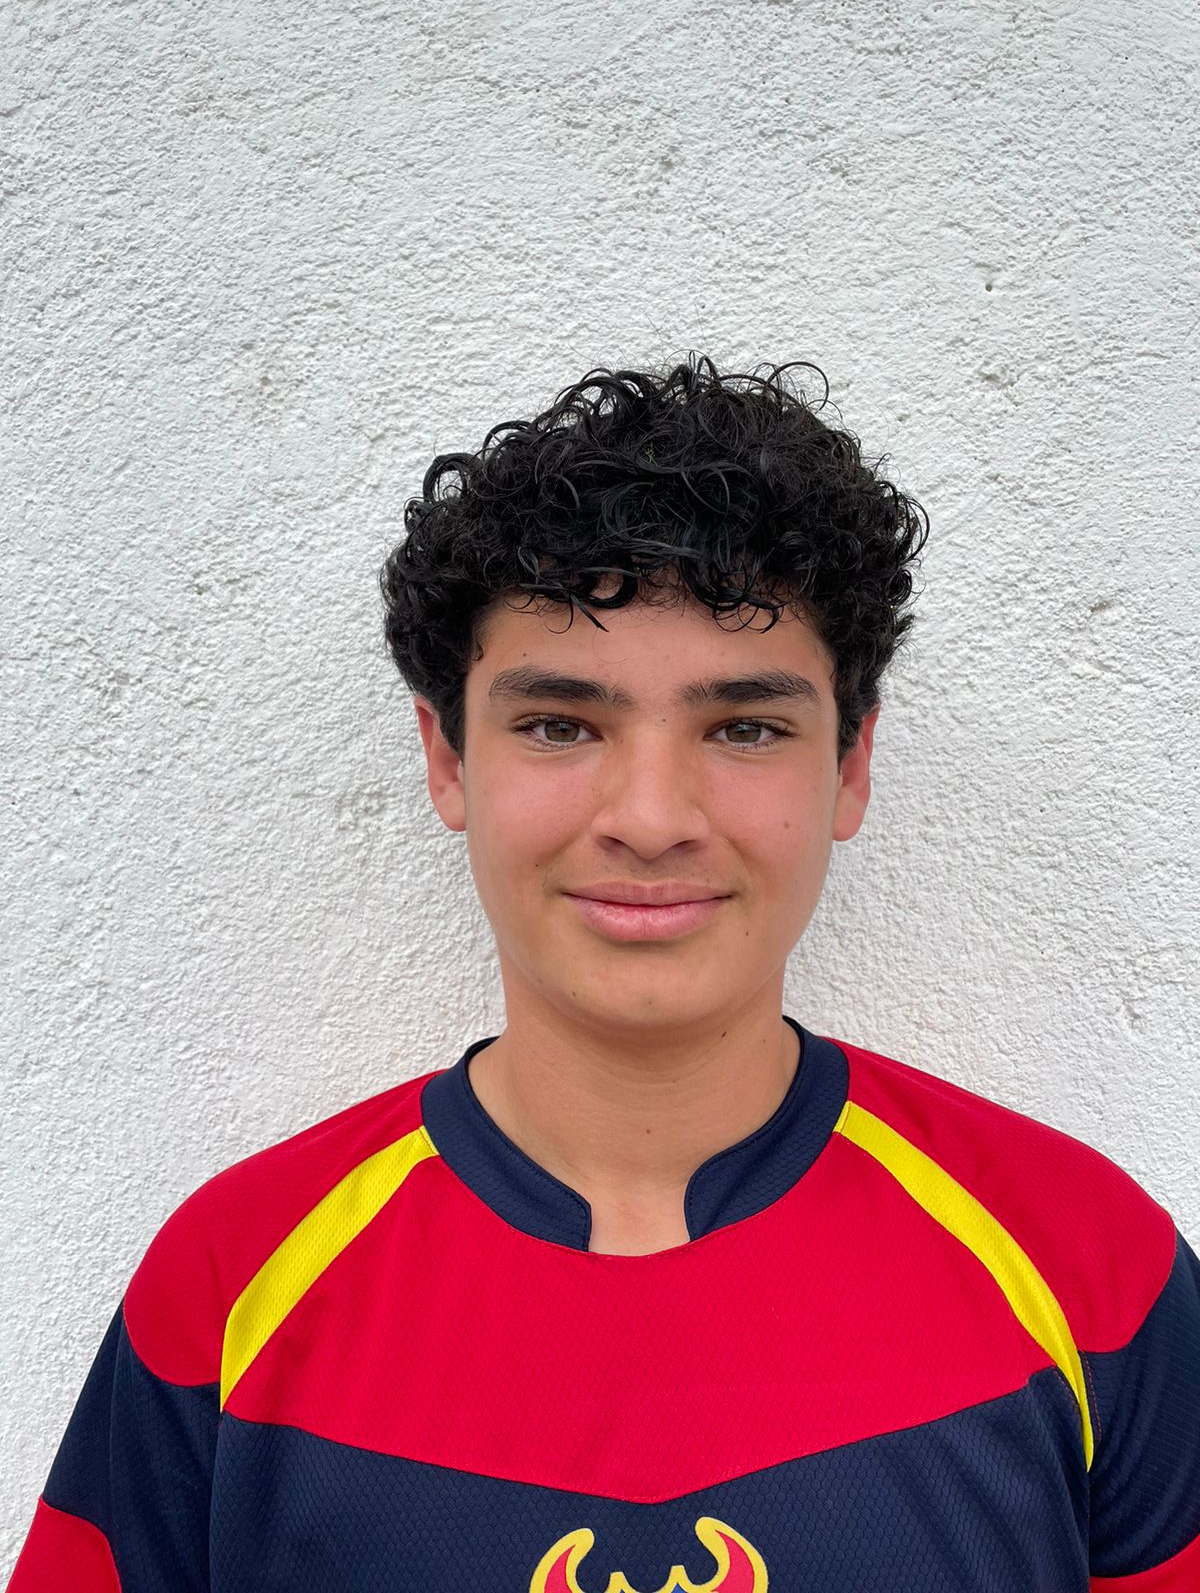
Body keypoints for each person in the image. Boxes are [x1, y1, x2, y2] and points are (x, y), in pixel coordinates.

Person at [9, 356, 1199, 1592]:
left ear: (849, 768)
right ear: (448, 760)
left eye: (745, 727)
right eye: (560, 725)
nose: (650, 817)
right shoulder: (231, 1291)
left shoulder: (1087, 1269)